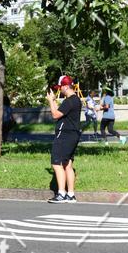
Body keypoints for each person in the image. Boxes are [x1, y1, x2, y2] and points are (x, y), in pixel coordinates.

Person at [46, 75, 82, 203]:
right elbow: (61, 112)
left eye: (60, 87)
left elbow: (55, 115)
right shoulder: (76, 100)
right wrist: (55, 101)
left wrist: (50, 101)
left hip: (64, 135)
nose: (59, 90)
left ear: (66, 86)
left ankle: (61, 193)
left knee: (56, 163)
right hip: (73, 135)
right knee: (68, 164)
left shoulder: (69, 101)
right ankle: (71, 194)